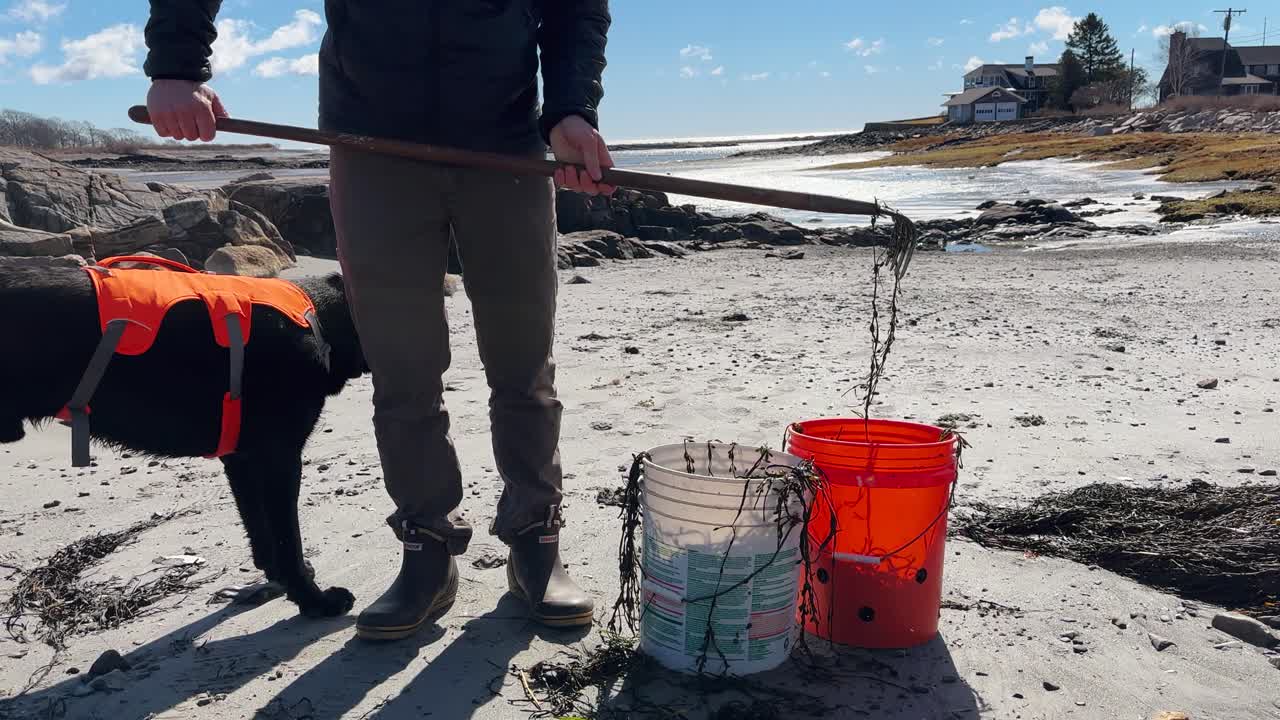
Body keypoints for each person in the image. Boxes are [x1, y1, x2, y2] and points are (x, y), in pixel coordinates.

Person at [142, 0, 614, 640]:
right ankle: (426, 546)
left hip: (507, 145)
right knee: (403, 372)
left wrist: (570, 110)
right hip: (372, 145)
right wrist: (177, 66)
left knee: (524, 364)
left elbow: (576, 8)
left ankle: (535, 538)